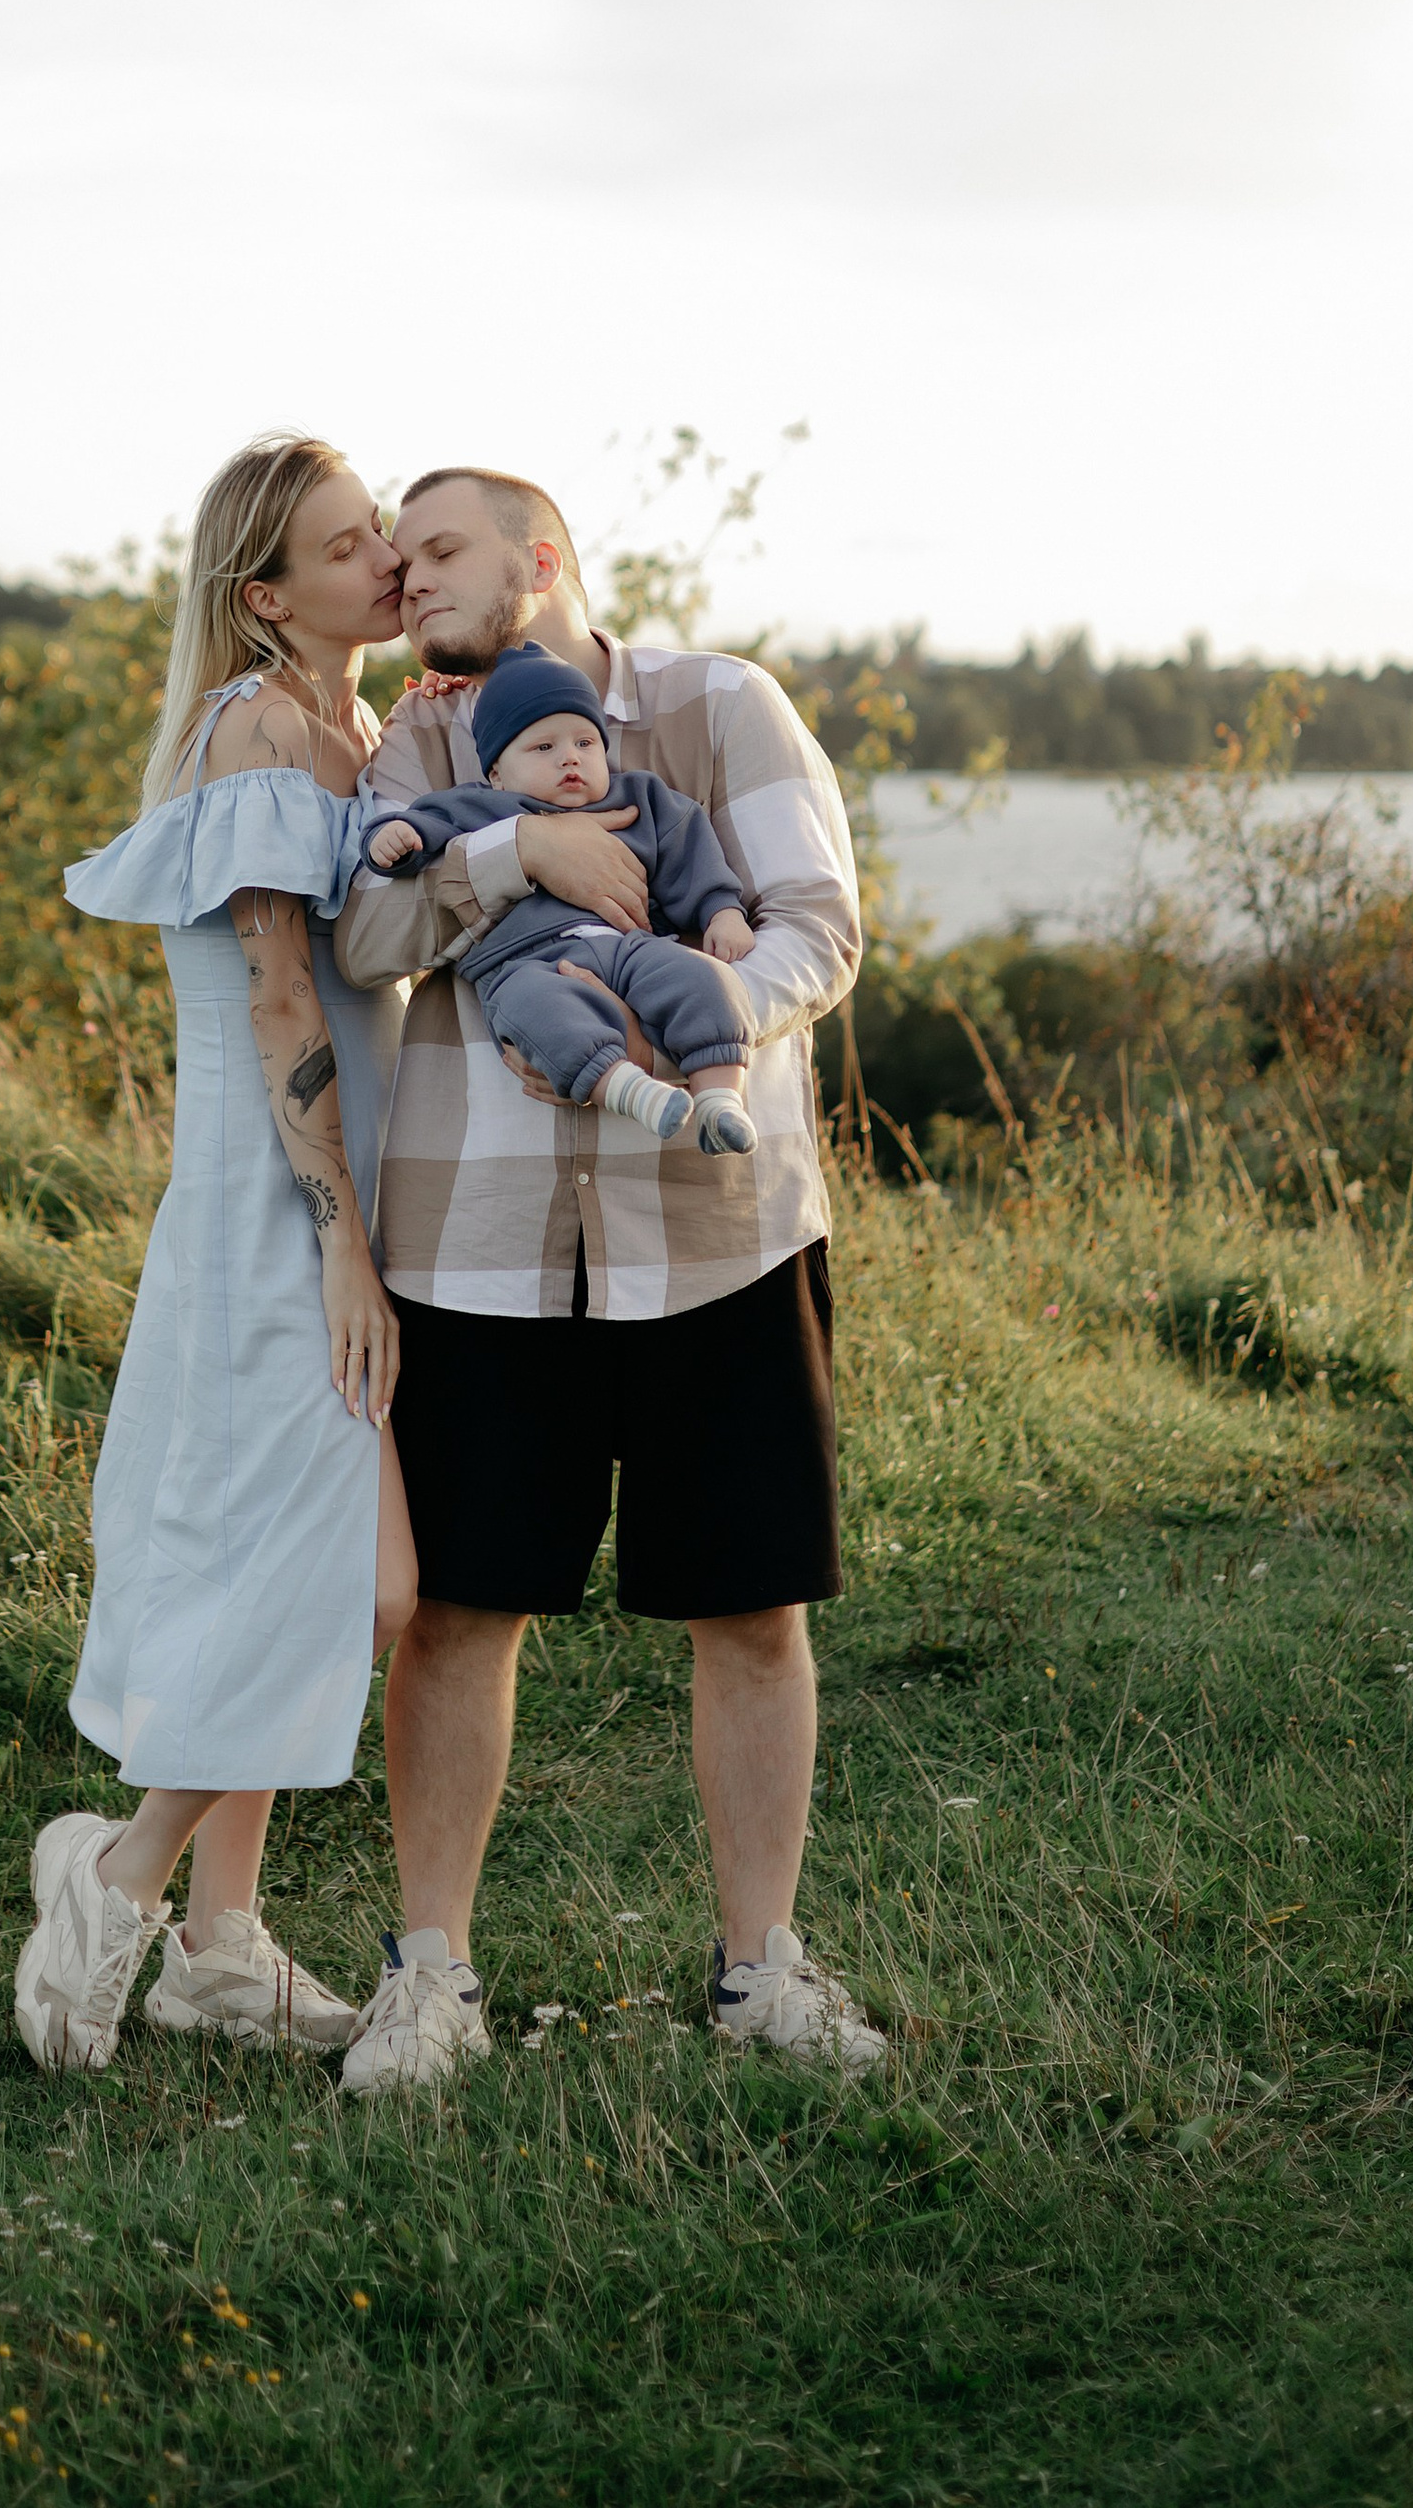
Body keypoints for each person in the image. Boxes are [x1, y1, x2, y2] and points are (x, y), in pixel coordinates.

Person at [330, 464, 881, 2098]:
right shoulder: (414, 747)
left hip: (720, 1235)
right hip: (480, 1251)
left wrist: (703, 1002)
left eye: (438, 550)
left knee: (753, 1607)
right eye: (391, 552)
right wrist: (526, 861)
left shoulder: (724, 707)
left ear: (541, 555)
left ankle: (760, 1971)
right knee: (454, 1617)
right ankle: (430, 1979)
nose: (404, 577)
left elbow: (821, 926)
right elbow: (364, 937)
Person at [12, 433, 418, 2075]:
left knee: (304, 1567)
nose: (386, 555)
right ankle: (112, 1879)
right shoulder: (257, 732)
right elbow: (278, 999)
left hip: (343, 1210)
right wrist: (342, 1248)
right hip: (277, 1216)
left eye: (383, 528)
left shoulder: (359, 731)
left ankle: (220, 1946)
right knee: (357, 1581)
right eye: (344, 546)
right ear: (265, 595)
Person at [363, 641, 761, 1150]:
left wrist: (722, 911)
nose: (570, 758)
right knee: (539, 1012)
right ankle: (631, 1092)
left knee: (705, 979)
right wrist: (392, 836)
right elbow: (424, 829)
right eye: (543, 748)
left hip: (633, 946)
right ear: (497, 773)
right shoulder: (482, 807)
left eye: (584, 743)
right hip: (525, 963)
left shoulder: (639, 799)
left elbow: (692, 854)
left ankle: (720, 1101)